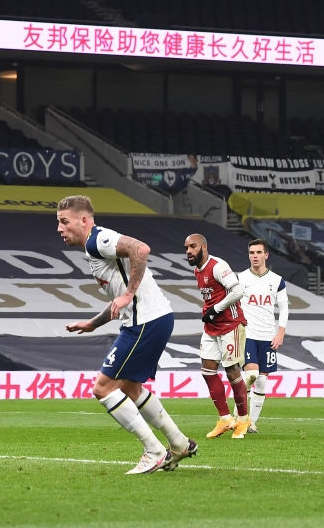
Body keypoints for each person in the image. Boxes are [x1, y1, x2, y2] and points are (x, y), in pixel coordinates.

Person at [57, 195, 196, 474]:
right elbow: (119, 300)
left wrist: (130, 293)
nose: (60, 229)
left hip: (144, 321)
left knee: (103, 388)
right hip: (154, 319)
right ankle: (179, 443)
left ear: (83, 220)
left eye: (64, 222)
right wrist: (92, 324)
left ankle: (154, 450)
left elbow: (141, 249)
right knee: (131, 388)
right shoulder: (94, 247)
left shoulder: (98, 240)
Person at [184, 233, 251, 439]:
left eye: (193, 247)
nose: (188, 251)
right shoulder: (198, 269)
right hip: (211, 328)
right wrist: (209, 312)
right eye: (186, 248)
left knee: (232, 372)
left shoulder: (218, 266)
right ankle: (224, 419)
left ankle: (243, 419)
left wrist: (215, 309)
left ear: (204, 247)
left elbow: (238, 291)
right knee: (207, 371)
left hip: (231, 325)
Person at [237, 239, 288, 434]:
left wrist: (280, 332)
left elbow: (284, 308)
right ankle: (239, 417)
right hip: (247, 334)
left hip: (268, 336)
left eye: (258, 252)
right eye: (251, 252)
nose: (255, 256)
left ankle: (250, 422)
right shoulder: (241, 278)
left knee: (262, 381)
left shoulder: (277, 280)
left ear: (266, 255)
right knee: (251, 375)